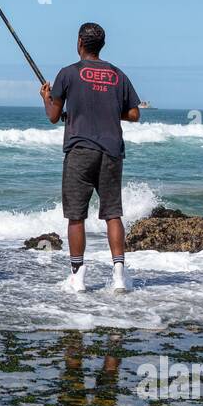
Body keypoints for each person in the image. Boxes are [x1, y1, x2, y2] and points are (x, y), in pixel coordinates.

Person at [40, 22, 140, 294]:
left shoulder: (68, 73)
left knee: (76, 216)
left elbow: (52, 116)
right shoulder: (118, 75)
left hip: (80, 150)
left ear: (80, 43)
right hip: (111, 151)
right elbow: (134, 114)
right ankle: (119, 274)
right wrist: (108, 111)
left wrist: (46, 97)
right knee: (112, 214)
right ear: (101, 45)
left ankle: (77, 275)